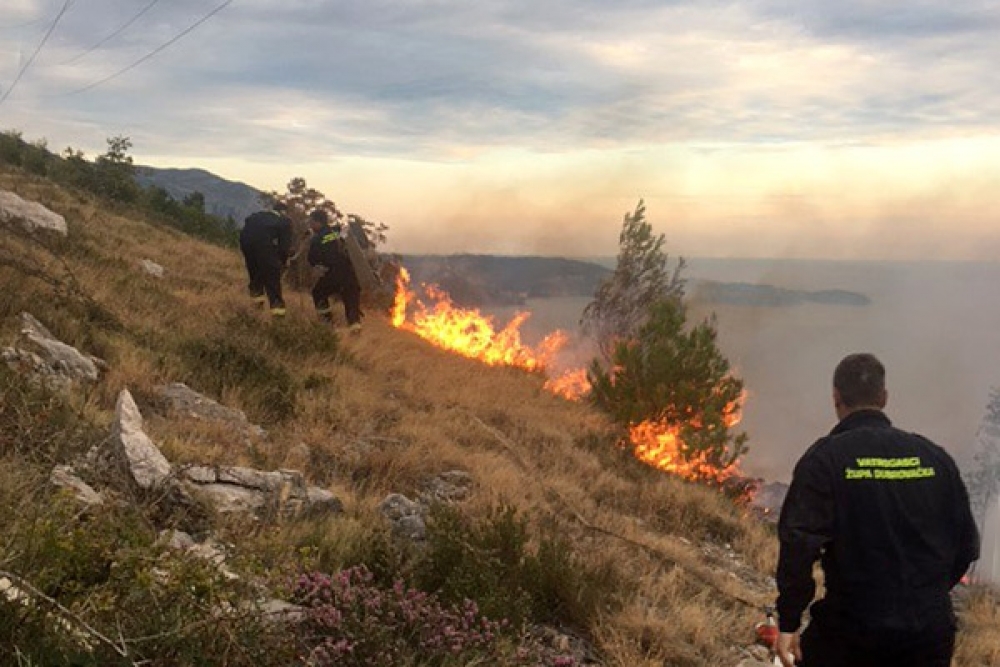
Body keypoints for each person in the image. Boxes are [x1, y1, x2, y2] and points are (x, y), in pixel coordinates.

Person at [775, 353, 979, 667]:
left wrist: (788, 621)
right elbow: (966, 546)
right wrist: (924, 597)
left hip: (851, 634)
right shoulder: (934, 458)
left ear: (836, 399)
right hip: (928, 636)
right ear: (884, 398)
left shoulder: (826, 459)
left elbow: (798, 545)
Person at [306, 208, 362, 332]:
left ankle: (326, 325)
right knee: (351, 301)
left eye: (311, 222)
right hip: (350, 275)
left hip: (332, 275)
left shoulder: (317, 239)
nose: (310, 224)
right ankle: (356, 330)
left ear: (317, 222)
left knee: (318, 293)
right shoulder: (338, 231)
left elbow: (312, 259)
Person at [239, 201, 292, 317]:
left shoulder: (255, 216)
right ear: (283, 212)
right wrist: (282, 261)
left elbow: (244, 233)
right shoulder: (284, 221)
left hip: (248, 249)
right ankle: (278, 318)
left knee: (255, 281)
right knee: (273, 284)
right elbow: (284, 247)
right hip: (265, 251)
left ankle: (256, 311)